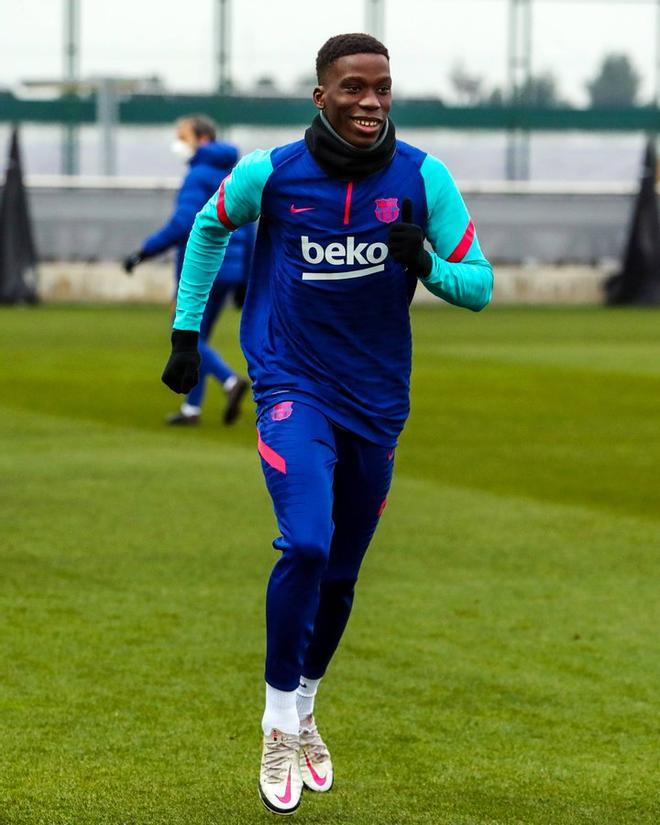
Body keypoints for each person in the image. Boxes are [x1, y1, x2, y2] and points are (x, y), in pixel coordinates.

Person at [161, 33, 493, 815]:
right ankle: (278, 719)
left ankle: (307, 703)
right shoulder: (270, 174)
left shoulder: (423, 178)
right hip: (290, 383)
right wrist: (185, 332)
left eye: (381, 87)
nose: (370, 100)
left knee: (341, 573)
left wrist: (428, 266)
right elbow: (209, 228)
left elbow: (478, 285)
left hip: (376, 400)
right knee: (306, 541)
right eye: (352, 87)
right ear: (322, 96)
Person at [124, 114, 252, 425]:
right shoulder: (235, 172)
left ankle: (230, 381)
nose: (178, 143)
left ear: (202, 139)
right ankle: (191, 409)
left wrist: (144, 251)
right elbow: (249, 226)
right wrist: (244, 278)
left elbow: (184, 224)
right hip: (231, 268)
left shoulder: (198, 175)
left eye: (182, 136)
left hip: (202, 268)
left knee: (183, 333)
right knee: (198, 335)